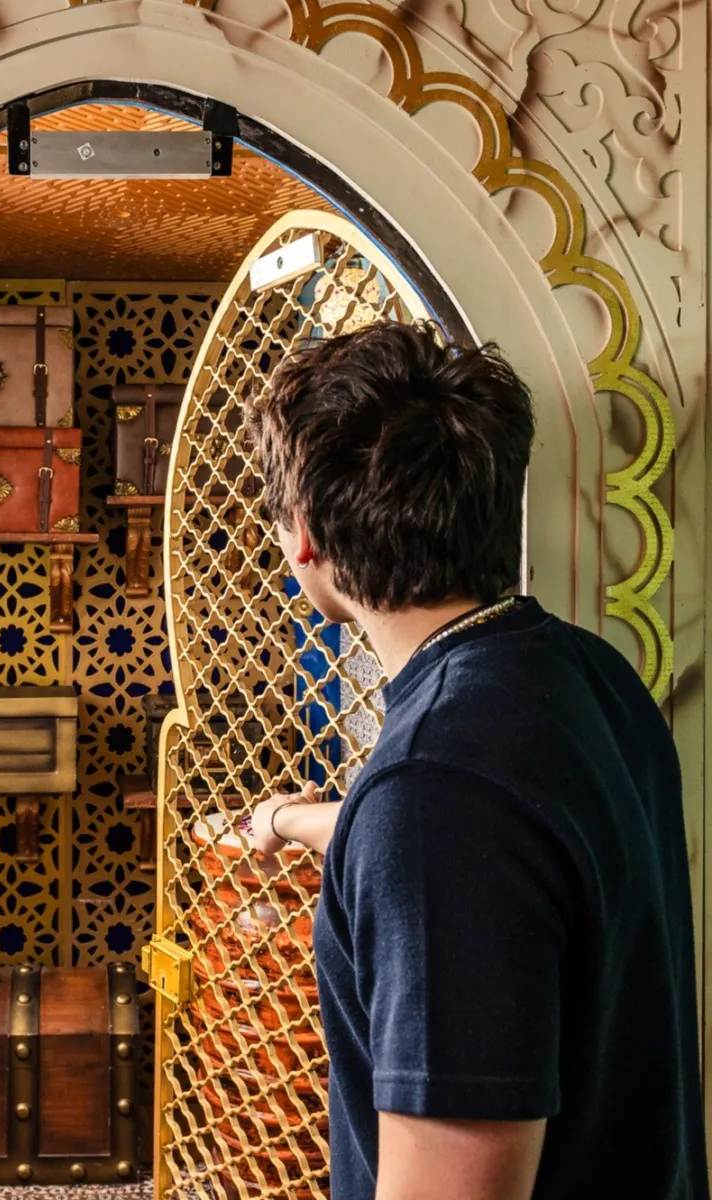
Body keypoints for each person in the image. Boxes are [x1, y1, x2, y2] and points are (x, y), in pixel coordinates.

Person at [244, 321, 706, 1200]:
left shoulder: (435, 791)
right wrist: (288, 820)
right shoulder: (580, 673)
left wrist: (377, 814)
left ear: (303, 534)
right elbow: (504, 860)